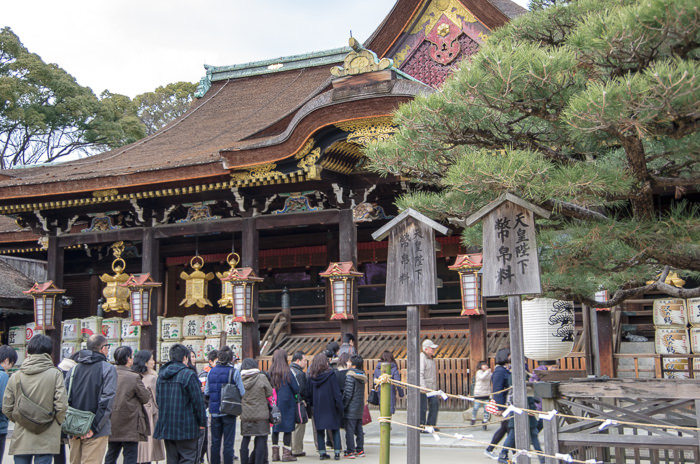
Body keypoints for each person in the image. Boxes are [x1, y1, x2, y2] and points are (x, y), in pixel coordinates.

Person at [3, 334, 67, 464]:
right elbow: (61, 405)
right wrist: (56, 423)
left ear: (28, 351)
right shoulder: (55, 374)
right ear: (50, 352)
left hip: (22, 435)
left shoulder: (16, 376)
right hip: (47, 434)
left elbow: (7, 407)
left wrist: (22, 420)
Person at [65, 334, 117, 464]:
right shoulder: (108, 369)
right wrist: (93, 427)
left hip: (74, 428)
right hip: (96, 429)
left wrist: (72, 426)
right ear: (103, 348)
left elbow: (65, 398)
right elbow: (107, 400)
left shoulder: (74, 369)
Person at [155, 343, 207, 464]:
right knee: (188, 458)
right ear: (185, 358)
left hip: (167, 425)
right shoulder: (189, 375)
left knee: (172, 459)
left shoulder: (161, 376)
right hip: (187, 426)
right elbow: (198, 402)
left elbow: (158, 399)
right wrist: (202, 422)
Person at [105, 346, 151, 464]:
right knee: (130, 455)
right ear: (128, 359)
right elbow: (145, 398)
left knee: (111, 453)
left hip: (112, 421)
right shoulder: (133, 377)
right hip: (130, 422)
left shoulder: (108, 374)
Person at [205, 346, 245, 464]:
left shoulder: (211, 371)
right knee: (228, 443)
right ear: (230, 358)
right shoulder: (234, 372)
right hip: (229, 411)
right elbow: (242, 392)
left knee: (215, 443)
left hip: (214, 411)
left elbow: (207, 392)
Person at [307, 353, 343, 460]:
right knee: (335, 428)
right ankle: (337, 452)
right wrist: (339, 405)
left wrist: (311, 405)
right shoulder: (331, 375)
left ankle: (322, 453)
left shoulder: (311, 376)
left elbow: (308, 393)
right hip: (331, 405)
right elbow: (336, 392)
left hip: (318, 406)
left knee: (320, 429)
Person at [239, 358, 273, 464]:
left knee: (245, 439)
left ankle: (244, 461)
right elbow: (269, 392)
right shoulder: (261, 377)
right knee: (261, 439)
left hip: (245, 415)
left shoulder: (240, 378)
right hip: (261, 415)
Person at [133, 350, 165, 464]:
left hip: (134, 416)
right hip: (149, 414)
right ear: (145, 362)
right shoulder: (152, 378)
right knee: (148, 448)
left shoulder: (133, 375)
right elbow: (158, 400)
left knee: (137, 450)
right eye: (151, 359)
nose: (153, 362)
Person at [269, 349, 299, 462]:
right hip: (287, 403)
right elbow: (296, 388)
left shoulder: (270, 372)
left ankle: (274, 454)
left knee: (275, 428)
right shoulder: (288, 372)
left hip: (274, 403)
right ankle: (286, 454)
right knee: (287, 428)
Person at [484, 348, 511, 460]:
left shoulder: (505, 370)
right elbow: (497, 390)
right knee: (507, 428)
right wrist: (500, 406)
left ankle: (491, 449)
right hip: (504, 404)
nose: (510, 357)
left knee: (506, 428)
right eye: (509, 355)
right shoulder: (499, 372)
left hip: (508, 403)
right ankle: (492, 450)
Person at [342, 354, 367, 458]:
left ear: (354, 365)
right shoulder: (362, 375)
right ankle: (360, 449)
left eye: (349, 362)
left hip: (351, 406)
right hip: (359, 406)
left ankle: (350, 451)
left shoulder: (350, 376)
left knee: (350, 430)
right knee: (359, 429)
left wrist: (344, 405)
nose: (347, 363)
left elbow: (348, 393)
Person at [198, 350, 218, 464]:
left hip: (212, 408)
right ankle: (200, 458)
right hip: (205, 408)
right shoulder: (204, 374)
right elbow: (204, 393)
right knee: (204, 438)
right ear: (210, 361)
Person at [0, 345, 18, 464]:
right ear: (6, 360)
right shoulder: (3, 376)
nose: (10, 367)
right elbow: (4, 404)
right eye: (11, 363)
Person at [289, 351, 308, 458]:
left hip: (288, 402)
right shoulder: (299, 374)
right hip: (298, 402)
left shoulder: (288, 370)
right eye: (304, 360)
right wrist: (303, 400)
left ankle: (291, 447)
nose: (305, 363)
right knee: (299, 426)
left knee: (292, 426)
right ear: (298, 361)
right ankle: (297, 449)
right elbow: (301, 389)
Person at [419, 339, 439, 431]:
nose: (433, 350)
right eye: (432, 348)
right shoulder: (422, 357)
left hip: (431, 387)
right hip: (424, 387)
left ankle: (431, 425)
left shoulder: (431, 359)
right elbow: (420, 373)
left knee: (435, 404)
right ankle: (421, 426)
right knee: (422, 407)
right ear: (426, 349)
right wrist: (422, 385)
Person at [471, 360, 492, 429]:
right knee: (476, 407)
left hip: (486, 393)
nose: (486, 366)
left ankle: (485, 421)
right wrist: (487, 372)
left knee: (486, 409)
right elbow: (482, 378)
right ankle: (473, 418)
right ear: (480, 366)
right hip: (478, 393)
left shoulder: (489, 373)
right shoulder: (479, 372)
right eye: (484, 365)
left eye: (486, 365)